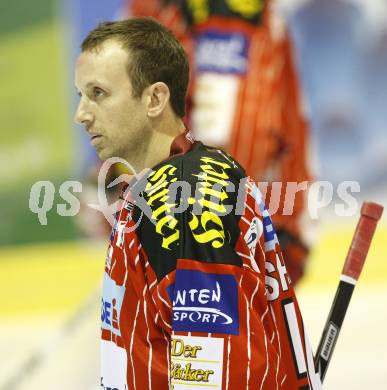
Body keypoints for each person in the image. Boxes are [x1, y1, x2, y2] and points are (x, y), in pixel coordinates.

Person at [74, 17, 321, 389]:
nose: (82, 113)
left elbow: (210, 374)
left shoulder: (184, 203)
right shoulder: (164, 187)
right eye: (80, 94)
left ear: (155, 98)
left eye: (99, 93)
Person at [128, 0, 312, 285]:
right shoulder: (157, 15)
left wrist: (288, 225)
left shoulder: (271, 24)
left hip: (244, 221)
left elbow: (291, 132)